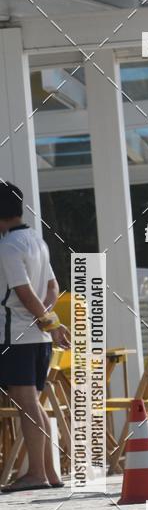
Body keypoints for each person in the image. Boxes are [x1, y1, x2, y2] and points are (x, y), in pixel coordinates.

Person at [0, 182, 70, 493]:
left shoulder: (8, 246)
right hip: (37, 339)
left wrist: (47, 321)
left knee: (27, 406)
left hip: (15, 335)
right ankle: (50, 471)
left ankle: (37, 474)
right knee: (35, 406)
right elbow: (53, 286)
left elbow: (24, 291)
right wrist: (47, 320)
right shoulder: (36, 241)